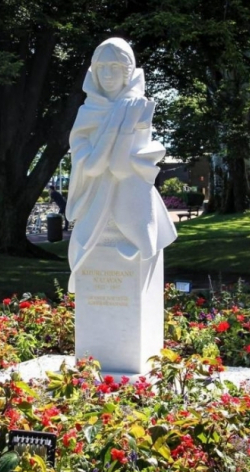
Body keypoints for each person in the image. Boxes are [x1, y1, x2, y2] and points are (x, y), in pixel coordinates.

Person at [66, 38, 177, 292]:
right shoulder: (87, 113)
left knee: (131, 180)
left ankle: (140, 240)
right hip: (93, 201)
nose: (107, 74)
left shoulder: (140, 107)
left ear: (128, 71)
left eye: (115, 66)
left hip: (131, 196)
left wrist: (126, 126)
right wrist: (121, 123)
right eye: (101, 67)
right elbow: (92, 168)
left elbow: (123, 166)